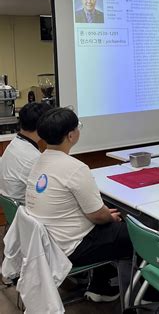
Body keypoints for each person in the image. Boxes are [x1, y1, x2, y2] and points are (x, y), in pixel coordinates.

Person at [25, 107, 132, 302]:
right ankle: (139, 294)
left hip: (45, 244)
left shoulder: (39, 162)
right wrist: (110, 217)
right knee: (133, 233)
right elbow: (98, 216)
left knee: (111, 226)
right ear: (71, 135)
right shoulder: (75, 168)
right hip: (70, 248)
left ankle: (103, 282)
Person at [0, 102, 50, 204]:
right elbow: (48, 194)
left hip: (15, 210)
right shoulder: (32, 158)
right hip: (28, 212)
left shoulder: (15, 144)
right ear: (43, 126)